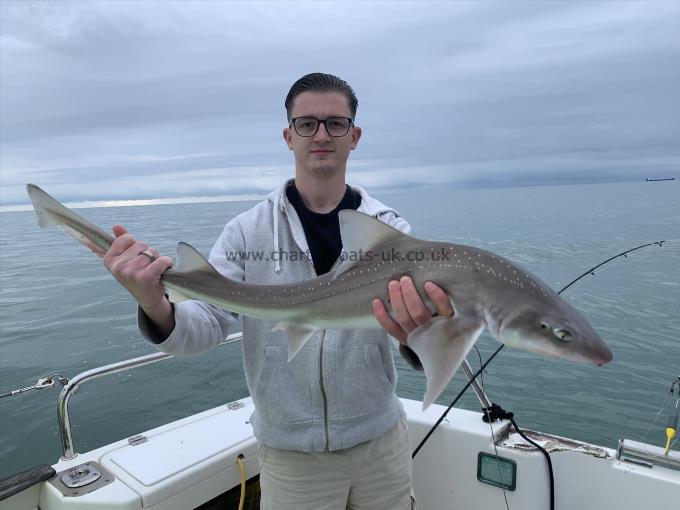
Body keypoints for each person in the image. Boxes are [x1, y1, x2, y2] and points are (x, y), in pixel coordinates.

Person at [96, 73, 453, 510]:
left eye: (335, 123)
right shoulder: (247, 232)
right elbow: (205, 326)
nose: (321, 134)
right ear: (288, 135)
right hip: (291, 454)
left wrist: (419, 332)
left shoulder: (390, 232)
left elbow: (416, 337)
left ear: (354, 136)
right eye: (307, 123)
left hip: (381, 442)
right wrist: (153, 302)